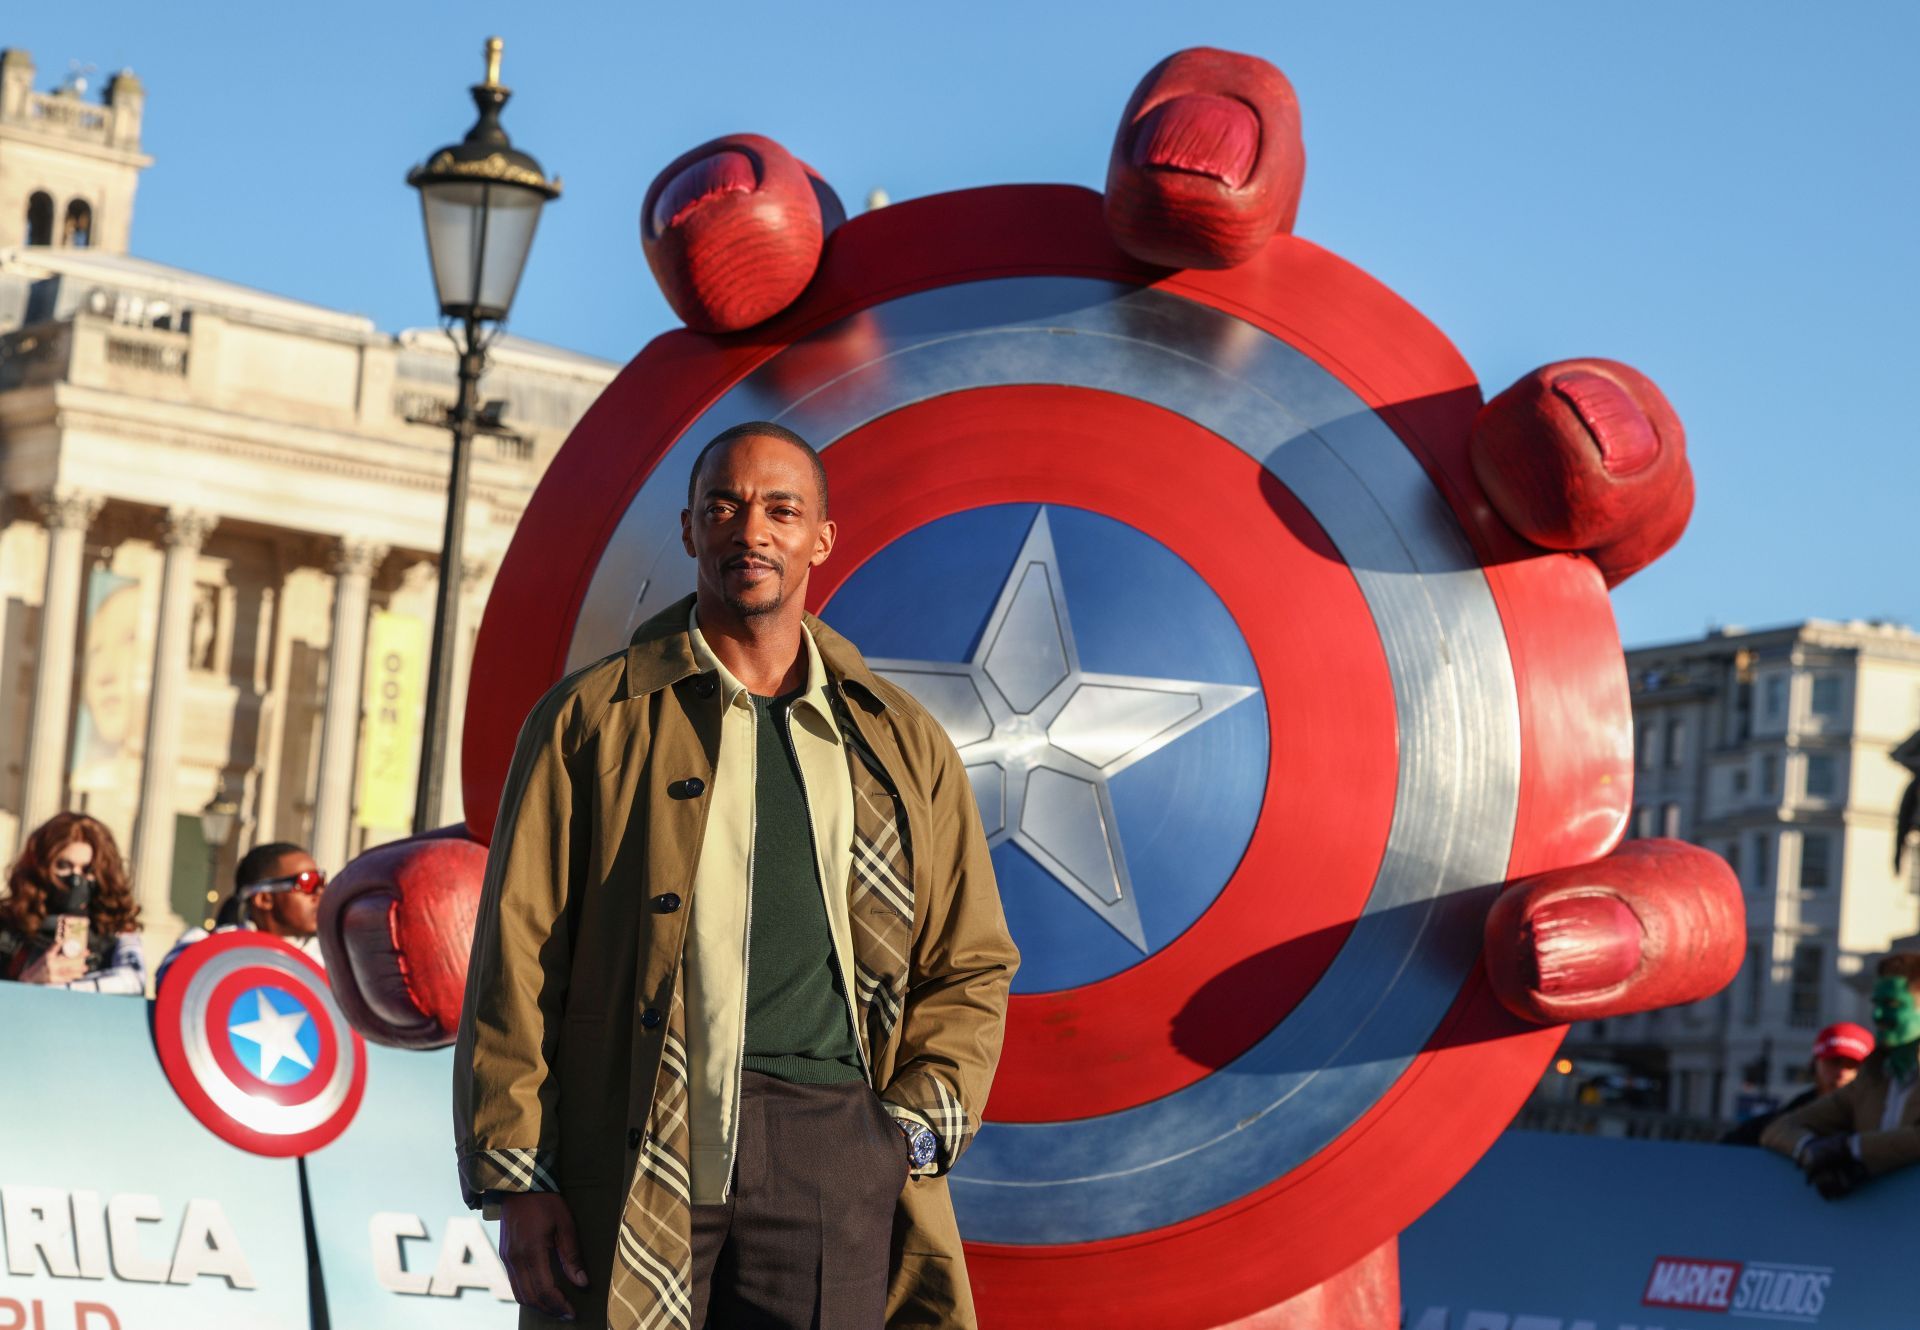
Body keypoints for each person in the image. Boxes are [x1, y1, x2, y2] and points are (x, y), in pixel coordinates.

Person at [455, 422, 1018, 1329]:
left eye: (781, 510)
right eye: (725, 505)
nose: (750, 529)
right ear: (689, 530)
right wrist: (518, 1176)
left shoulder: (898, 740)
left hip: (833, 1144)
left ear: (820, 539)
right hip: (638, 1132)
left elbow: (971, 959)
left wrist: (907, 1133)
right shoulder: (590, 721)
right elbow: (517, 959)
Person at [1762, 953, 1920, 1197]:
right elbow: (1780, 1128)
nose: (1878, 1016)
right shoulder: (1871, 1081)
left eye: (1892, 1005)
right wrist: (1809, 1149)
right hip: (1875, 1223)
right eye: (1876, 1004)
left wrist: (1850, 1149)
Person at [0, 811, 145, 994]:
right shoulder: (8, 931)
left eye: (87, 869)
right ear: (41, 867)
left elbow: (133, 989)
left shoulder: (117, 936)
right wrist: (28, 983)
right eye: (63, 866)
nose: (76, 880)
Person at [162, 841, 326, 975]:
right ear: (264, 899)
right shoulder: (204, 948)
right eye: (308, 883)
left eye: (321, 882)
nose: (320, 893)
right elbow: (173, 987)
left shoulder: (334, 962)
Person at [1721, 1021, 1873, 1146]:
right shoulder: (1782, 1120)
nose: (1842, 1073)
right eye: (1834, 1062)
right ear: (1814, 1064)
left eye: (1853, 1065)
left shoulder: (1880, 1122)